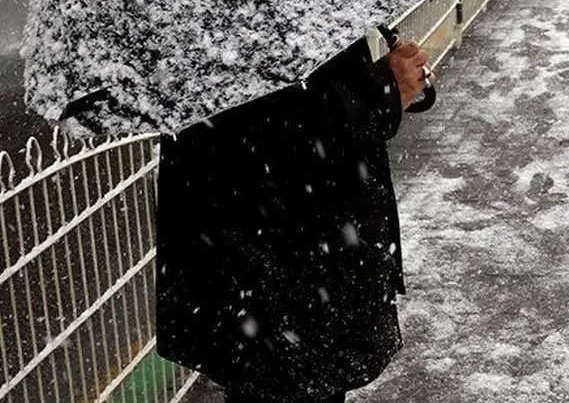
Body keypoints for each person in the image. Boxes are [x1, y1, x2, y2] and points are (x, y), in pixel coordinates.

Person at [156, 38, 431, 403]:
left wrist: (390, 87)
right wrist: (383, 92)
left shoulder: (221, 21)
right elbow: (284, 131)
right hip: (284, 264)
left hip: (271, 265)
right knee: (289, 383)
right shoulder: (248, 20)